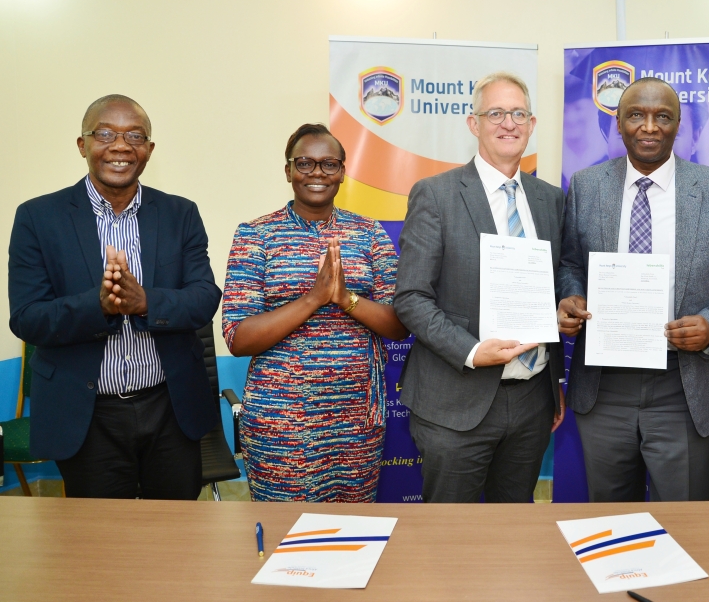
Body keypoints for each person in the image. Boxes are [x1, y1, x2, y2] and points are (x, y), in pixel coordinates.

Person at [557, 77, 709, 502]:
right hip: (605, 384)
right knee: (611, 521)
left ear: (678, 125)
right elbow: (571, 263)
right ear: (618, 123)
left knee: (685, 521)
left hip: (685, 385)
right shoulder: (586, 185)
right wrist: (571, 295)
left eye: (662, 117)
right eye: (636, 115)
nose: (649, 126)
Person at [8, 94, 222, 499]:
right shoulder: (38, 218)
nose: (120, 146)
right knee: (101, 546)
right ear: (82, 144)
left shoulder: (181, 214)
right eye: (105, 133)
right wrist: (98, 306)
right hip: (87, 416)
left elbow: (204, 297)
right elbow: (27, 317)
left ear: (149, 150)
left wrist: (146, 302)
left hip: (170, 409)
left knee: (176, 537)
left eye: (134, 135)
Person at [394, 71, 565, 503]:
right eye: (496, 113)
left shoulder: (551, 200)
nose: (508, 123)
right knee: (452, 544)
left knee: (514, 534)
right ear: (474, 124)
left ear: (532, 124)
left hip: (531, 399)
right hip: (456, 401)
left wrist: (566, 310)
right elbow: (411, 298)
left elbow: (558, 282)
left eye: (518, 114)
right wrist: (472, 351)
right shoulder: (436, 195)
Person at [221, 123, 408, 502]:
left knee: (352, 535)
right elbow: (238, 337)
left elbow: (399, 324)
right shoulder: (256, 235)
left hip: (356, 419)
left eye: (329, 164)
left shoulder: (370, 234)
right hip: (282, 422)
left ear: (343, 172)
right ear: (288, 170)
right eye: (305, 163)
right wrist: (313, 298)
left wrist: (345, 299)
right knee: (285, 539)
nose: (317, 173)